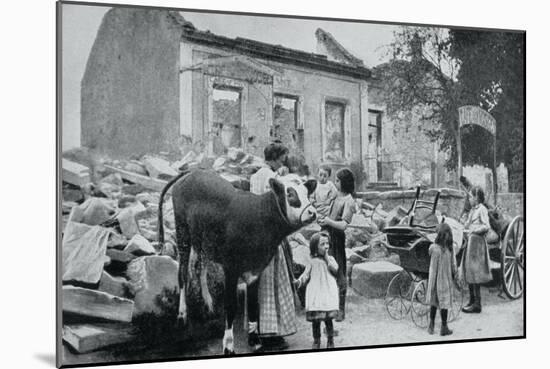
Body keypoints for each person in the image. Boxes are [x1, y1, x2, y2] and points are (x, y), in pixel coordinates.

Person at [248, 142, 296, 351]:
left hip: (254, 236)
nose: (284, 162)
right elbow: (279, 211)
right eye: (282, 158)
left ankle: (257, 330)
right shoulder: (274, 179)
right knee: (273, 283)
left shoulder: (254, 178)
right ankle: (270, 333)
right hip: (270, 237)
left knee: (259, 285)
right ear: (276, 158)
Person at [317, 168, 355, 321]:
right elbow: (329, 213)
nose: (335, 182)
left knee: (338, 270)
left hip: (337, 238)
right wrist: (322, 220)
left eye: (338, 180)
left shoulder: (349, 201)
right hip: (326, 235)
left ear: (344, 182)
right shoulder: (336, 196)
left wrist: (328, 221)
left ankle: (341, 309)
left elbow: (344, 225)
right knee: (326, 269)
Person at [294, 232, 339, 349]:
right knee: (316, 321)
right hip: (315, 293)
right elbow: (305, 275)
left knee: (328, 319)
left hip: (327, 292)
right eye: (322, 244)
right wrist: (299, 282)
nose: (326, 246)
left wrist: (327, 258)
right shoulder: (311, 261)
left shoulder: (331, 259)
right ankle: (316, 340)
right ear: (315, 247)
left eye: (327, 243)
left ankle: (330, 340)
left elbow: (335, 270)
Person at [460, 186, 493, 314]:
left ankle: (477, 304)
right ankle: (471, 300)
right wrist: (464, 224)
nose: (469, 199)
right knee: (469, 270)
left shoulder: (482, 209)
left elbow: (486, 226)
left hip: (478, 244)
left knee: (476, 272)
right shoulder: (472, 210)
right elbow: (468, 223)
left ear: (477, 198)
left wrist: (474, 230)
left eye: (471, 197)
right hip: (471, 242)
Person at [426, 223, 458, 336]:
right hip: (443, 280)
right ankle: (441, 327)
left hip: (436, 280)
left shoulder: (436, 249)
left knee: (435, 303)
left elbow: (434, 267)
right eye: (446, 235)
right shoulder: (447, 249)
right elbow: (453, 265)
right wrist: (455, 274)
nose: (447, 237)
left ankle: (433, 326)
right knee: (441, 303)